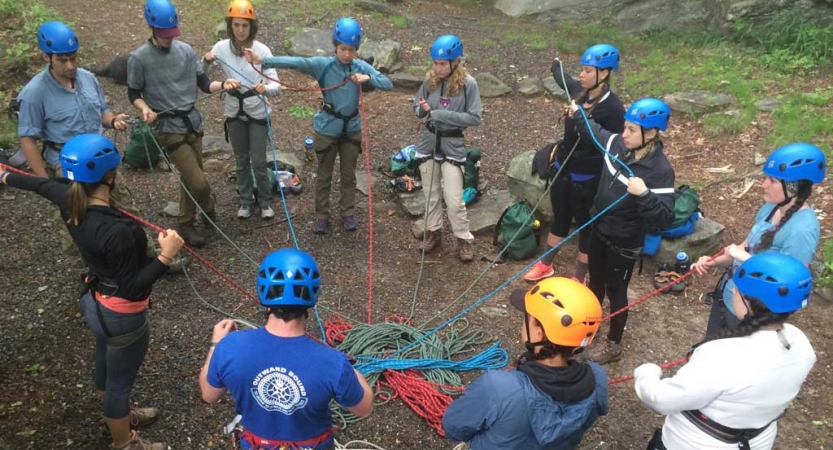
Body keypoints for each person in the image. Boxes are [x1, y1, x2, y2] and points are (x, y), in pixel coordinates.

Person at [1, 134, 185, 450]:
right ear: (111, 177)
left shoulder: (66, 196)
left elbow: (37, 184)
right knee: (119, 383)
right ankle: (123, 441)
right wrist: (166, 256)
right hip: (121, 314)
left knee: (106, 362)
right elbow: (133, 287)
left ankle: (118, 414)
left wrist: (5, 176)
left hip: (96, 302)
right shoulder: (118, 231)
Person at [635, 252, 817, 450]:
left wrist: (646, 373)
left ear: (750, 302)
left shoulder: (721, 356)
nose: (731, 292)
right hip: (758, 440)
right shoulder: (801, 344)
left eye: (736, 290)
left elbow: (661, 400)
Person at [199, 248, 374, 449]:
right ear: (313, 294)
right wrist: (345, 366)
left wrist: (215, 345)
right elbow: (364, 408)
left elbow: (209, 394)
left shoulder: (229, 346)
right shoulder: (333, 363)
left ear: (264, 291)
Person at [244, 17, 393, 234]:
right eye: (343, 49)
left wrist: (367, 77)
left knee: (349, 174)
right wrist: (263, 60)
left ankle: (348, 212)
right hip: (327, 128)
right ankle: (322, 215)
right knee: (324, 174)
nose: (347, 54)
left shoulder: (359, 66)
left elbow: (388, 84)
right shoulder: (323, 65)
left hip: (351, 128)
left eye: (352, 50)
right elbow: (295, 62)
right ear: (335, 46)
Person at [443, 277, 608, 449]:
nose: (522, 323)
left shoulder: (498, 388)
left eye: (527, 318)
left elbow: (453, 427)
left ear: (538, 332)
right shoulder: (597, 378)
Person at [570, 97, 676, 364]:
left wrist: (644, 195)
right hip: (599, 230)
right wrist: (578, 113)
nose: (624, 133)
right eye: (625, 127)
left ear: (650, 133)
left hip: (624, 242)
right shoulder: (617, 145)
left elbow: (663, 218)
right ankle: (588, 328)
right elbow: (594, 132)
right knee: (595, 284)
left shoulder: (660, 171)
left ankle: (613, 345)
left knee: (617, 293)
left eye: (631, 130)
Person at [128, 0, 241, 247]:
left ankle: (186, 221)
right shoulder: (139, 59)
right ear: (151, 27)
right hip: (168, 127)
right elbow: (133, 93)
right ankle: (207, 208)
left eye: (172, 32)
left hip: (192, 122)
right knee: (198, 182)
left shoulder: (186, 51)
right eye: (163, 33)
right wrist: (145, 108)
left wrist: (223, 85)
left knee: (190, 177)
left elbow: (203, 83)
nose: (169, 38)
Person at [17, 21, 133, 260]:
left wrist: (112, 120)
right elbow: (28, 139)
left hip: (101, 157)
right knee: (76, 219)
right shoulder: (34, 93)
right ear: (47, 57)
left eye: (73, 58)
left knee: (125, 208)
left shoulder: (88, 78)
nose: (70, 66)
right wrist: (43, 182)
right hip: (66, 163)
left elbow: (102, 110)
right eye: (62, 60)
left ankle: (141, 254)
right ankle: (87, 271)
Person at [691, 143, 826, 335]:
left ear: (794, 186)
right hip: (732, 297)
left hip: (754, 315)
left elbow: (789, 284)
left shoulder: (802, 230)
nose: (763, 185)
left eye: (772, 180)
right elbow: (747, 246)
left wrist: (741, 257)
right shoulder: (771, 208)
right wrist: (712, 261)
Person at [525, 44, 625, 282]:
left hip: (589, 178)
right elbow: (563, 78)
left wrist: (581, 121)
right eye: (581, 69)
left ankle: (579, 276)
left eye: (587, 70)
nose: (582, 75)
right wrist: (556, 64)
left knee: (585, 226)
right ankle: (546, 264)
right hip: (563, 169)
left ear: (604, 73)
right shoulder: (578, 90)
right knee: (560, 217)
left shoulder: (613, 108)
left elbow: (614, 145)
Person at [203, 0, 280, 220]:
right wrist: (206, 61)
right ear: (230, 26)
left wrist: (265, 89)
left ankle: (265, 201)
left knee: (258, 160)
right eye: (236, 25)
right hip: (234, 111)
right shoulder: (220, 48)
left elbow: (277, 85)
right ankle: (246, 200)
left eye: (245, 26)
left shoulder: (262, 51)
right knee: (240, 158)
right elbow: (201, 75)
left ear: (251, 27)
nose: (240, 30)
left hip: (257, 112)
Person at [413, 35, 482, 263]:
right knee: (430, 194)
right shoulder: (430, 80)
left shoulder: (468, 84)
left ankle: (463, 238)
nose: (438, 68)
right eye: (435, 63)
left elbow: (474, 117)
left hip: (452, 145)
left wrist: (440, 114)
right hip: (428, 141)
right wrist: (423, 110)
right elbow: (417, 106)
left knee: (454, 199)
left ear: (455, 62)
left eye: (442, 64)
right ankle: (434, 231)